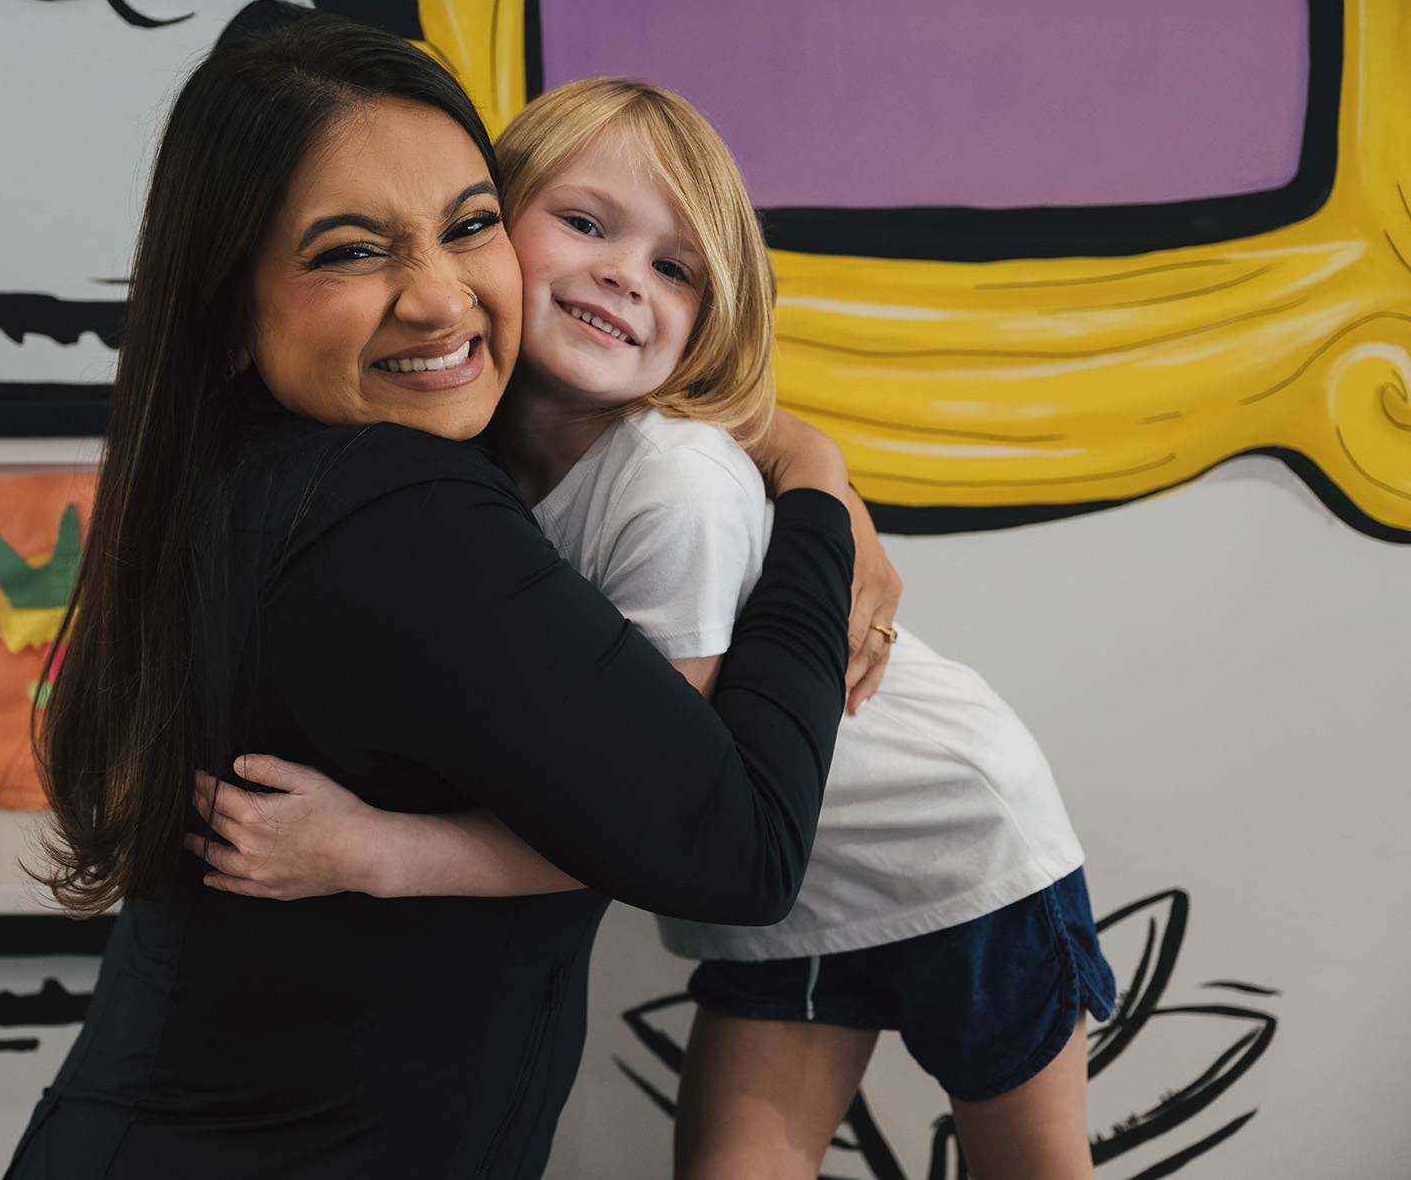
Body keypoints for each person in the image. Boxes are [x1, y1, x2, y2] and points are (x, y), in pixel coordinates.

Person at [194, 79, 1117, 1180]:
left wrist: (378, 852)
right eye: (584, 223)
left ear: (708, 322)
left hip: (958, 849)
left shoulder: (671, 483)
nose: (627, 272)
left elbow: (651, 813)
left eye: (676, 268)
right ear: (491, 228)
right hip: (782, 902)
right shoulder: (466, 463)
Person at [4, 10, 861, 1179]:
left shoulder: (239, 473)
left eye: (469, 227)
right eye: (351, 250)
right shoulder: (404, 518)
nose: (440, 299)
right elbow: (745, 847)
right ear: (231, 311)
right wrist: (819, 494)